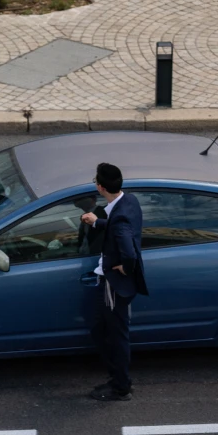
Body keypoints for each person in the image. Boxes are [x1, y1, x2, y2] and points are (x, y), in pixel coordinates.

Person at [80, 163, 148, 401]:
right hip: (114, 285)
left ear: (100, 187)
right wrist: (97, 222)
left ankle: (121, 387)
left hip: (112, 285)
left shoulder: (118, 218)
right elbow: (122, 226)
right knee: (102, 330)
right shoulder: (129, 202)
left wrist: (124, 267)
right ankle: (118, 380)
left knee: (114, 335)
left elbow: (128, 251)